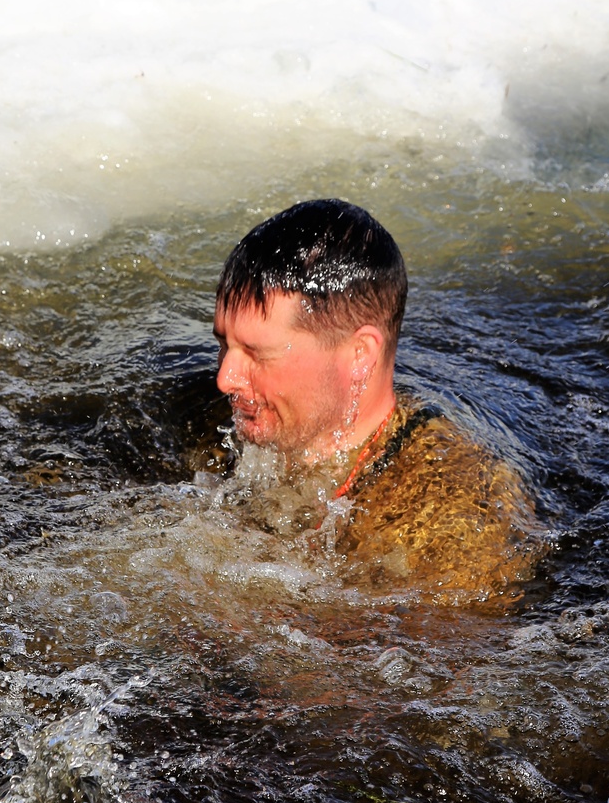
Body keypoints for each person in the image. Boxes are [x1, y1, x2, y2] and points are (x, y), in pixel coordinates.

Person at [213, 198, 539, 605]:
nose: (225, 379)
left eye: (258, 354)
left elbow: (448, 656)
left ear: (359, 354)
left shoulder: (455, 514)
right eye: (223, 343)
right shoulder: (222, 430)